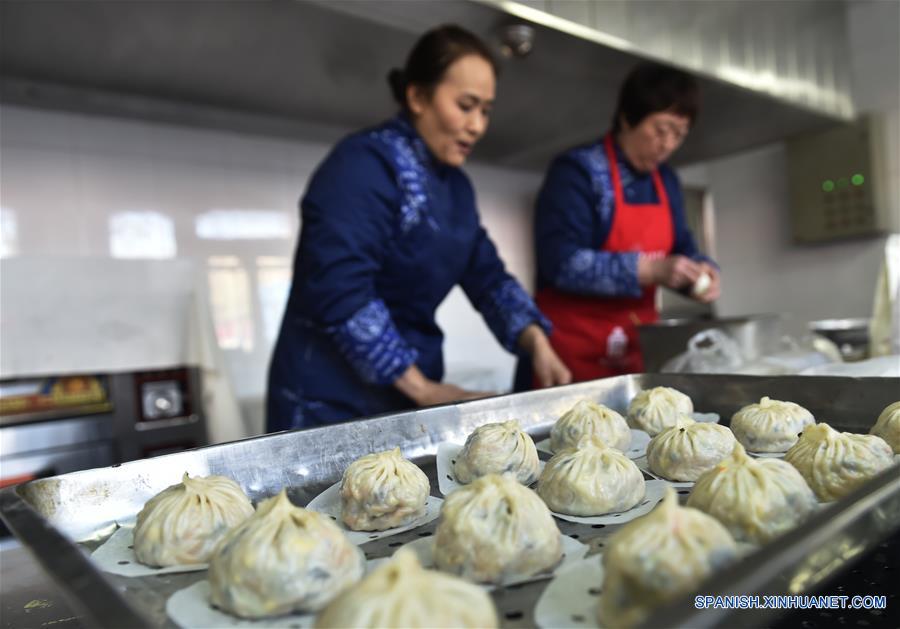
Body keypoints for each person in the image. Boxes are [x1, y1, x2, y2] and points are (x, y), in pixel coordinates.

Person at [267, 25, 571, 431]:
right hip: (329, 404)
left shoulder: (455, 188)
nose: (478, 125)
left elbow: (488, 277)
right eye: (466, 105)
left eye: (485, 110)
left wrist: (537, 343)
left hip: (404, 399)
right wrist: (423, 390)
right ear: (417, 96)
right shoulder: (362, 165)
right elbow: (340, 288)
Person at [524, 62, 720, 384]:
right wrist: (650, 270)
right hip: (568, 354)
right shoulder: (578, 172)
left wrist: (700, 270)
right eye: (661, 129)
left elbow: (682, 245)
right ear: (628, 117)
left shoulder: (667, 180)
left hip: (634, 351)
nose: (668, 144)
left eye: (679, 134)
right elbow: (560, 262)